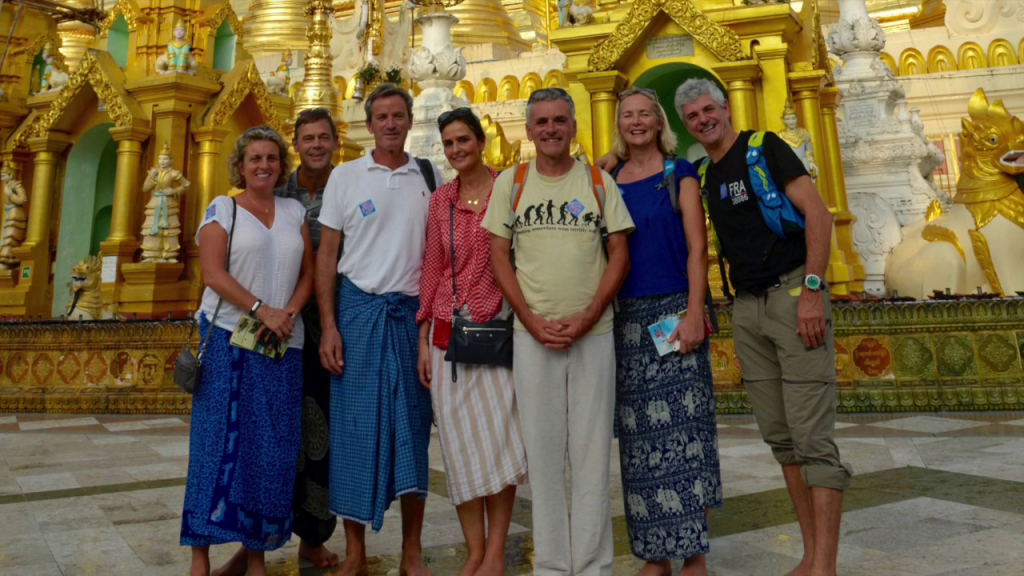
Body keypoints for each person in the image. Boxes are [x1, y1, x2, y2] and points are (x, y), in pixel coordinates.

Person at [675, 78, 850, 576]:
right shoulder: (705, 173)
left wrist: (813, 290)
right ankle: (810, 555)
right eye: (692, 116)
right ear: (685, 123)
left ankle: (825, 565)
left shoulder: (764, 148)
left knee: (812, 437)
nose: (703, 120)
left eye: (709, 109)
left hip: (793, 294)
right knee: (780, 436)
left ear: (726, 108)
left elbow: (817, 214)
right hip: (747, 308)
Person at [481, 88, 634, 575]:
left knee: (590, 452)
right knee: (544, 455)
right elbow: (498, 257)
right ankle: (550, 563)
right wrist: (528, 318)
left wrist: (587, 316)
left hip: (593, 333)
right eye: (541, 122)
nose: (550, 129)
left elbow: (619, 256)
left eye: (559, 121)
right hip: (533, 334)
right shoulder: (513, 182)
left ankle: (591, 564)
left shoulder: (596, 182)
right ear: (528, 130)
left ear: (573, 127)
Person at [316, 83, 442, 576]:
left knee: (412, 430)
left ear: (410, 121)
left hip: (410, 317)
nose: (390, 124)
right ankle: (355, 552)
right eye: (381, 117)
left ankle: (412, 551)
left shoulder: (426, 177)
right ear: (368, 125)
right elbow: (327, 257)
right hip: (358, 312)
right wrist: (329, 325)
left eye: (398, 116)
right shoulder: (345, 178)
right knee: (353, 432)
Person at [212, 109, 340, 576]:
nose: (316, 145)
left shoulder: (347, 186)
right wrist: (267, 312)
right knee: (264, 442)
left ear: (335, 141)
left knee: (316, 434)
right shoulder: (275, 194)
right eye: (307, 138)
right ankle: (250, 549)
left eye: (324, 137)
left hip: (323, 326)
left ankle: (311, 539)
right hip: (264, 334)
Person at [181, 125, 314, 576]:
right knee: (215, 446)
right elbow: (212, 274)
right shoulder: (224, 208)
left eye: (272, 159)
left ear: (282, 166)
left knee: (270, 451)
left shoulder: (294, 210)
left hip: (282, 345)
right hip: (227, 339)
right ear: (239, 165)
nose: (263, 166)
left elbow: (309, 275)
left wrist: (288, 313)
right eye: (254, 158)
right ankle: (200, 557)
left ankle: (255, 557)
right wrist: (263, 310)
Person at [608, 87, 723, 575]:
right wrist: (610, 154)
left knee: (685, 434)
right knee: (640, 442)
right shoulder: (608, 176)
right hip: (627, 318)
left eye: (644, 115)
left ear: (659, 123)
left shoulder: (680, 175)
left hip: (676, 310)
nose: (636, 123)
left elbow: (698, 249)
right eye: (626, 116)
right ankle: (655, 553)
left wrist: (696, 311)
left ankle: (692, 552)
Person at [416, 108, 528, 576]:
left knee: (500, 445)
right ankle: (475, 552)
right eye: (449, 144)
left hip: (500, 335)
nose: (457, 150)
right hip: (449, 339)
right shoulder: (440, 201)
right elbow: (432, 269)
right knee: (461, 449)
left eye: (464, 140)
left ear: (482, 142)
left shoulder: (513, 189)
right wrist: (422, 337)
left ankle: (497, 551)